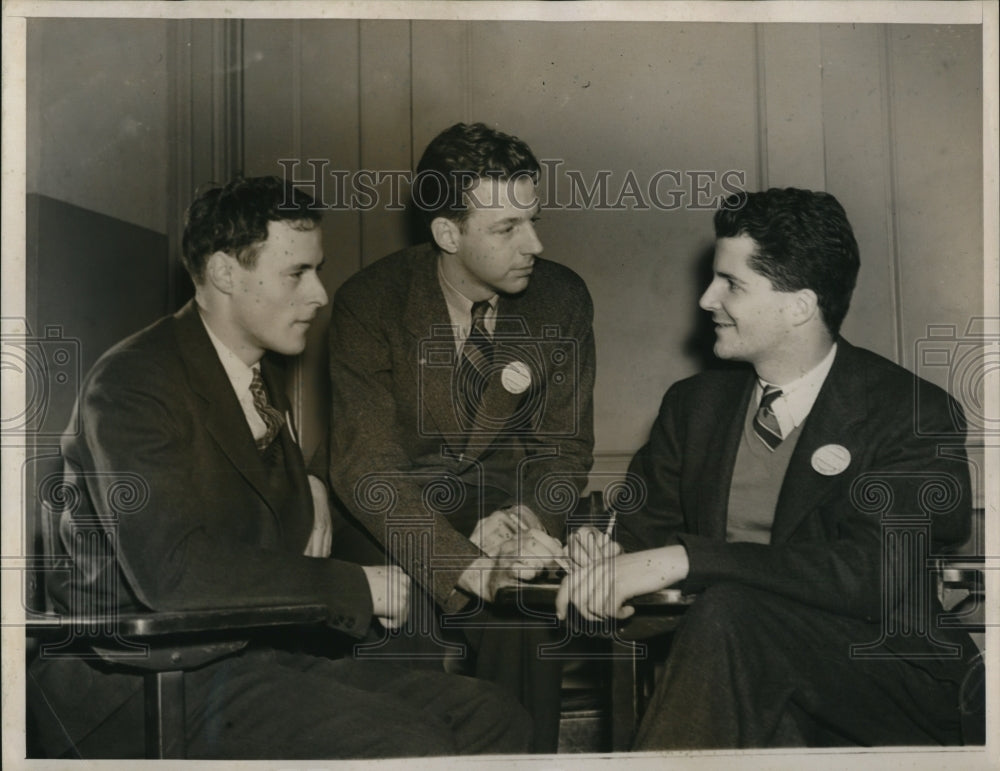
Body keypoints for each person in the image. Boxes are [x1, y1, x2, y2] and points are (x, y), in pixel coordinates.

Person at [27, 175, 532, 759]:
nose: (319, 295)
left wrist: (340, 512)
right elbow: (171, 574)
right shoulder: (133, 383)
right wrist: (356, 586)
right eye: (297, 273)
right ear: (224, 273)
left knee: (491, 717)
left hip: (253, 659)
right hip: (146, 679)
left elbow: (270, 537)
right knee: (407, 743)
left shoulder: (257, 381)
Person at [557, 187, 979, 748]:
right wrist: (605, 564)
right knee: (732, 626)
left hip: (883, 679)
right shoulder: (693, 407)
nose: (707, 299)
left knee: (731, 614)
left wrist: (687, 558)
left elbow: (871, 577)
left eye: (731, 283)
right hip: (731, 671)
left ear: (799, 305)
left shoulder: (912, 412)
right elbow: (641, 550)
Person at [326, 122, 596, 751]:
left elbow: (565, 449)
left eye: (532, 218)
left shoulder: (562, 298)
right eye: (506, 228)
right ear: (447, 232)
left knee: (532, 605)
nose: (535, 242)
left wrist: (528, 519)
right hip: (388, 512)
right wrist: (468, 564)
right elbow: (368, 471)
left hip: (504, 504)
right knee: (398, 621)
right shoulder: (370, 301)